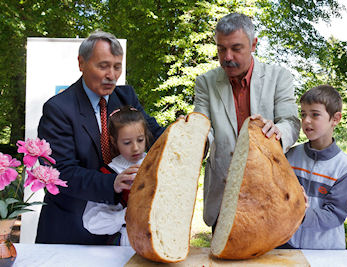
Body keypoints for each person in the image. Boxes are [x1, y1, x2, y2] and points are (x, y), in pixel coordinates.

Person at [36, 31, 164, 245]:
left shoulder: (126, 97)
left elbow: (154, 136)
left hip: (121, 234)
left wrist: (187, 137)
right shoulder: (58, 109)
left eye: (117, 66)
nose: (112, 75)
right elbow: (61, 173)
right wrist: (112, 183)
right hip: (71, 233)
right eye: (103, 66)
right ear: (81, 63)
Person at [193, 13, 300, 229]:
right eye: (221, 49)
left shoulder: (280, 77)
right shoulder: (205, 82)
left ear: (253, 45)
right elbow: (204, 128)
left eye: (236, 48)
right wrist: (194, 140)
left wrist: (277, 131)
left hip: (269, 193)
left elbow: (291, 123)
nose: (227, 56)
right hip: (223, 198)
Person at [285, 84, 347, 249]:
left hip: (325, 251)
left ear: (335, 119)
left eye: (315, 114)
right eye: (303, 114)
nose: (306, 121)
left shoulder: (344, 166)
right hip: (288, 245)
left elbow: (334, 215)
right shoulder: (290, 156)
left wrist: (301, 214)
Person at [83, 106, 151, 246]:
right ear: (114, 141)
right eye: (127, 142)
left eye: (140, 140)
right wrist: (124, 216)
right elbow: (90, 222)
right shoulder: (109, 173)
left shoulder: (156, 164)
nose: (135, 148)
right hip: (125, 245)